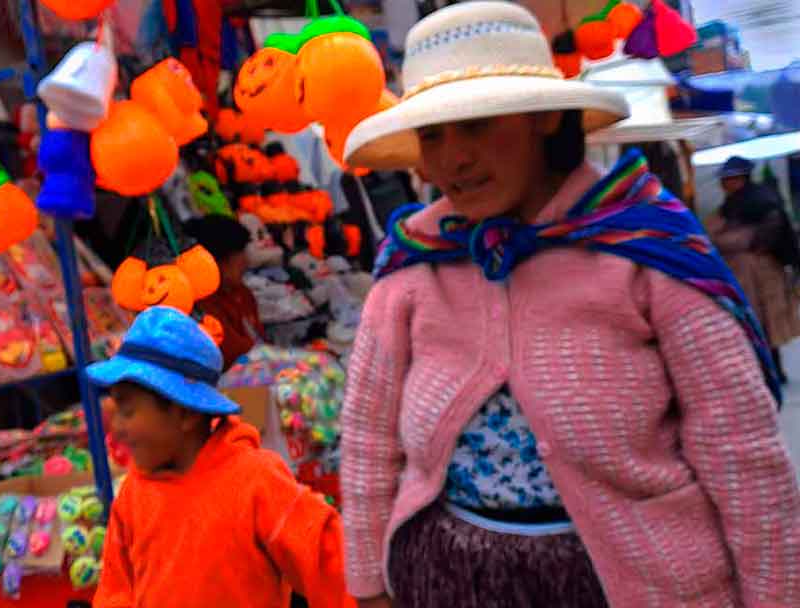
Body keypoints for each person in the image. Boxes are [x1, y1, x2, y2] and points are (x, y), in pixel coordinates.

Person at [338, 3, 800, 608]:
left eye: (477, 125)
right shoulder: (412, 267)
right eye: (433, 135)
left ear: (545, 117)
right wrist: (369, 587)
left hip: (648, 585)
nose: (453, 159)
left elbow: (744, 461)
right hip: (448, 586)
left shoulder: (648, 249)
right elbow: (369, 443)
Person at [87, 306, 353, 608]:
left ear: (184, 412)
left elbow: (334, 570)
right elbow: (115, 592)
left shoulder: (256, 481)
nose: (116, 428)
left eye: (128, 410)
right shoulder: (134, 495)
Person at [706, 155, 800, 381]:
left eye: (728, 179)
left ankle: (773, 371)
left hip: (762, 272)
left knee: (763, 322)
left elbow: (765, 235)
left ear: (741, 179)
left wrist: (738, 241)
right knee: (755, 322)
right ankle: (769, 370)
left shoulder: (761, 202)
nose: (723, 184)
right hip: (746, 272)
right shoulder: (732, 205)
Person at [184, 215, 265, 369]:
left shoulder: (243, 293)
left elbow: (258, 339)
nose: (245, 262)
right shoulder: (202, 306)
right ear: (217, 261)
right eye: (239, 255)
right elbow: (233, 352)